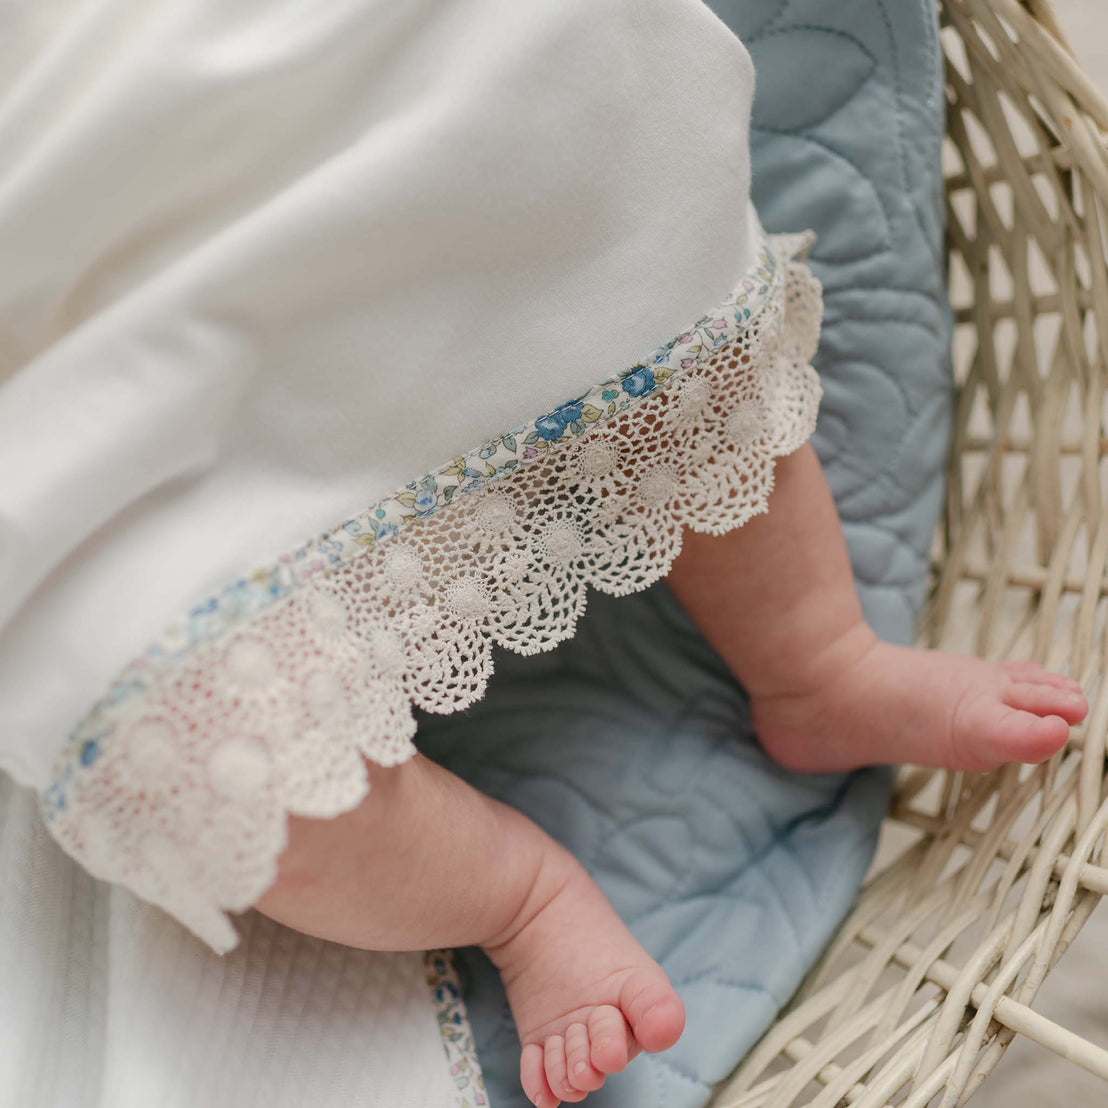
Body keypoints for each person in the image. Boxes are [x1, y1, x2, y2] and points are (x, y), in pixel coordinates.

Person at [0, 2, 1088, 1107]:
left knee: (601, 161)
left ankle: (815, 659)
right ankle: (517, 892)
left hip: (364, 115)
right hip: (109, 362)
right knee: (178, 740)